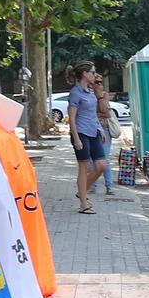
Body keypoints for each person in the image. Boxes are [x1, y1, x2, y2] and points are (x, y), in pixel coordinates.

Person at [66, 61, 108, 214]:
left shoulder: (90, 91)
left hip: (94, 132)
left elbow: (93, 113)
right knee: (84, 167)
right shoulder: (75, 93)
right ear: (84, 74)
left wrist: (100, 129)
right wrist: (76, 138)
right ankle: (84, 203)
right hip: (81, 133)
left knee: (102, 165)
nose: (94, 75)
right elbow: (71, 118)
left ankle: (82, 190)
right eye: (92, 72)